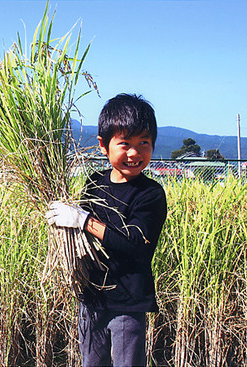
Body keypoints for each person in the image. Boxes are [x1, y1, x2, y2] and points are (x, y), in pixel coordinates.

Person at [46, 94, 167, 366]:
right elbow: (79, 234)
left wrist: (84, 221)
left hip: (128, 301)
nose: (134, 153)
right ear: (104, 145)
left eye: (143, 143)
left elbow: (137, 245)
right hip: (91, 298)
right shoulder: (93, 183)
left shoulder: (150, 194)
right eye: (125, 144)